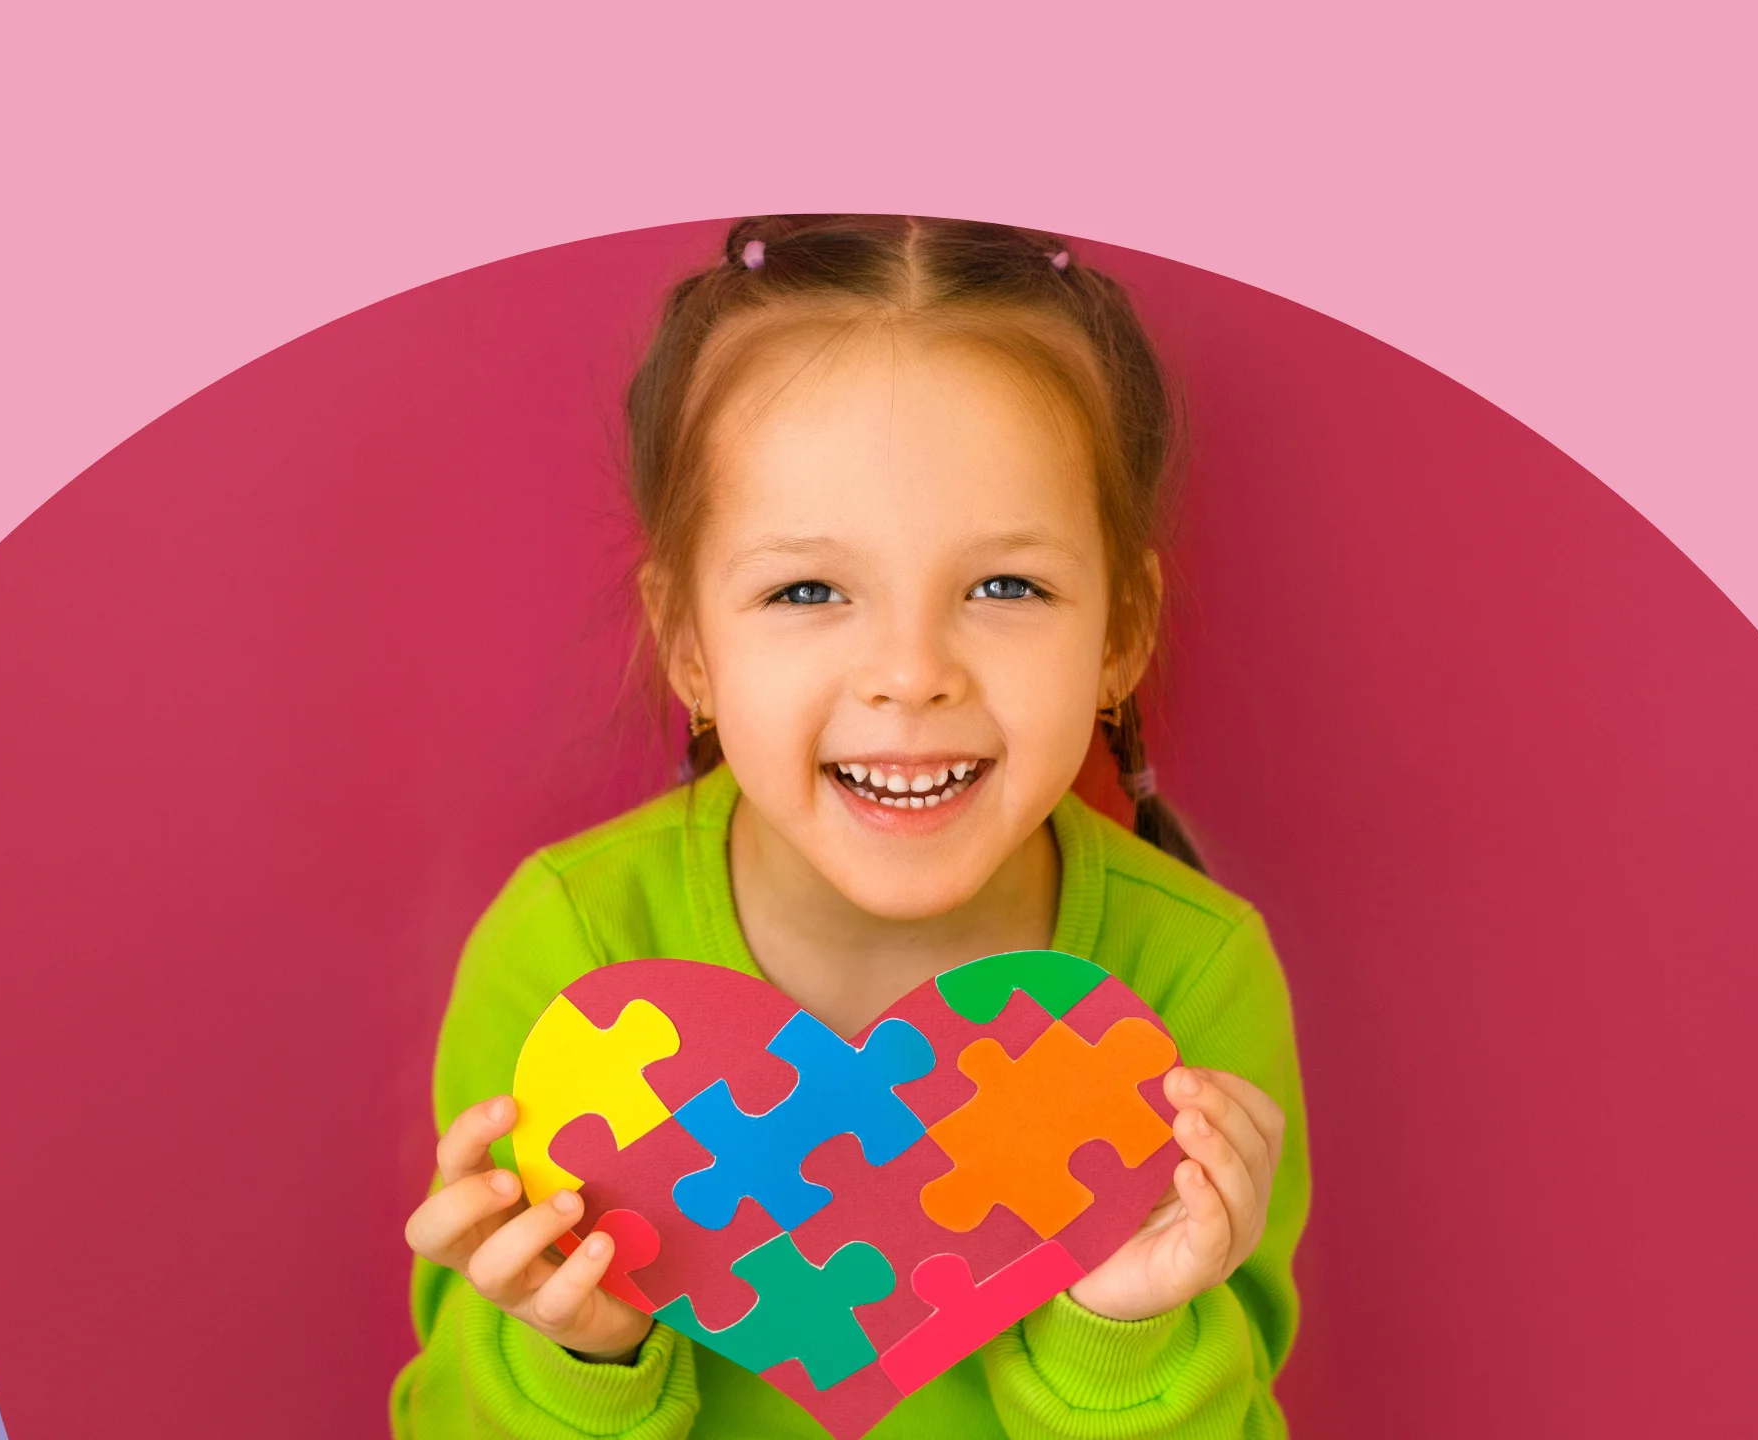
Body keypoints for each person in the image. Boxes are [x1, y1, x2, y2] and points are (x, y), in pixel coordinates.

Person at [393, 215, 1308, 1439]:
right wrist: (575, 1357)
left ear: (1122, 630)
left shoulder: (1186, 977)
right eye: (807, 590)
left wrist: (1120, 1330)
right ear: (689, 644)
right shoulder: (572, 952)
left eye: (1004, 587)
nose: (910, 673)